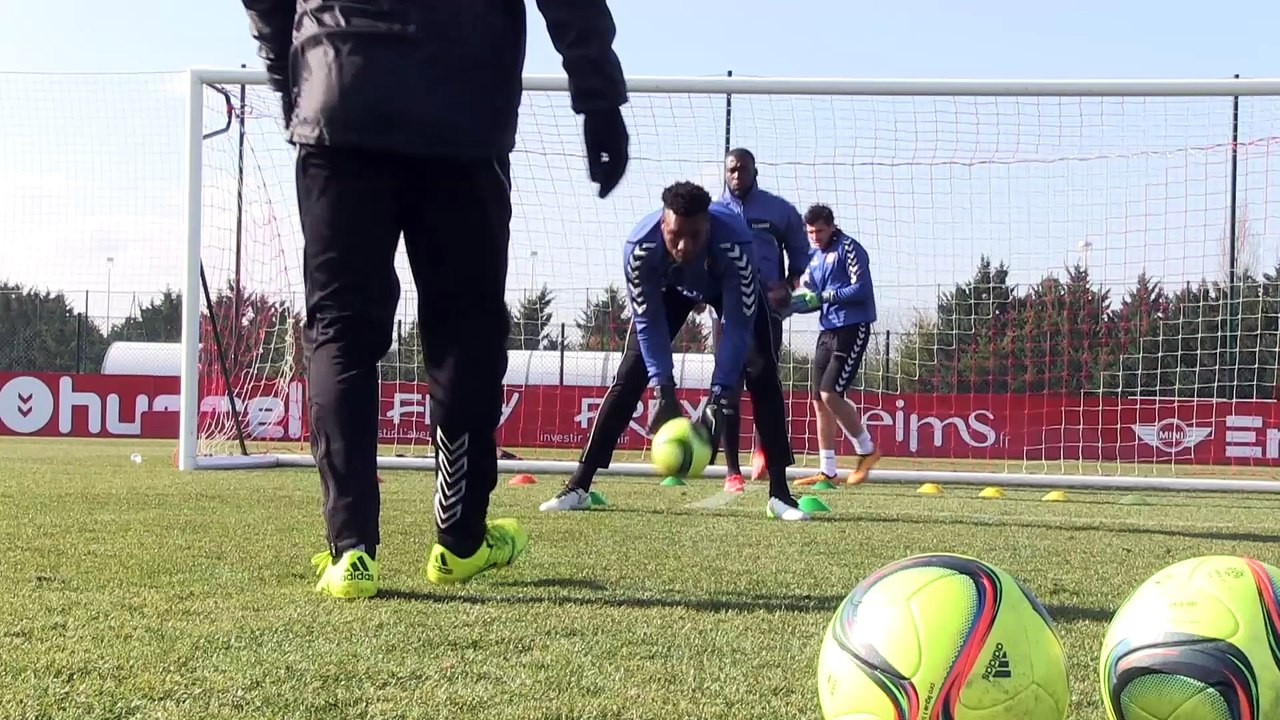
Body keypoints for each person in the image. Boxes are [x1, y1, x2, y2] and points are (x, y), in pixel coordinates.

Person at [239, 0, 632, 598]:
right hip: (463, 107)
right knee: (464, 333)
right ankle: (458, 542)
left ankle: (351, 553)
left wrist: (287, 70)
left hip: (338, 96)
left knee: (340, 329)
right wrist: (598, 97)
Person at [539, 181, 811, 521]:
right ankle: (578, 485)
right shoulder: (640, 248)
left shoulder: (736, 245)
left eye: (695, 236)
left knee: (762, 369)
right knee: (630, 373)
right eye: (674, 235)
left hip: (724, 286)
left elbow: (738, 328)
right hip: (672, 289)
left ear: (708, 227)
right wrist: (663, 390)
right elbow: (649, 323)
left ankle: (780, 494)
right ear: (663, 226)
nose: (683, 245)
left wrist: (719, 394)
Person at [716, 148, 812, 493]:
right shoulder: (715, 212)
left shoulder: (778, 209)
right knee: (728, 388)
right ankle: (731, 472)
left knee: (765, 383)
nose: (737, 175)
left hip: (766, 312)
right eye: (731, 170)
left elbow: (800, 247)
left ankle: (763, 450)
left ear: (755, 170)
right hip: (726, 313)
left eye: (742, 169)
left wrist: (790, 282)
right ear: (725, 173)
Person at [784, 204, 882, 486]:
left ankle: (867, 450)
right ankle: (827, 470)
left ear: (831, 226)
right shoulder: (814, 256)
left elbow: (860, 288)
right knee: (818, 400)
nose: (814, 236)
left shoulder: (849, 248)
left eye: (819, 231)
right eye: (810, 231)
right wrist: (791, 303)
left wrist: (824, 297)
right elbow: (810, 293)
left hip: (852, 327)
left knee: (830, 393)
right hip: (827, 330)